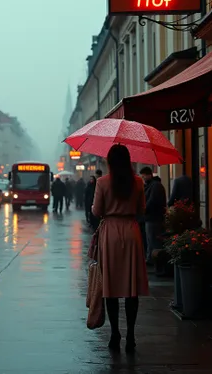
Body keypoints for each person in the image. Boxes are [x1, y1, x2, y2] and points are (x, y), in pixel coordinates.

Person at [91, 144, 148, 353]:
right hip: (131, 231)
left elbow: (97, 211)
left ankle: (115, 333)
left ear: (109, 162)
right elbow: (142, 209)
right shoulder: (139, 182)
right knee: (131, 288)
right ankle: (131, 334)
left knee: (111, 287)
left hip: (111, 233)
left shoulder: (103, 182)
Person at [139, 167, 167, 265]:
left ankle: (155, 261)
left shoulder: (156, 186)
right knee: (150, 240)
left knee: (153, 240)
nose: (143, 178)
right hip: (150, 218)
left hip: (154, 218)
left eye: (143, 176)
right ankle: (150, 259)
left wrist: (143, 209)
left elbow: (152, 202)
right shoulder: (150, 185)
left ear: (149, 175)